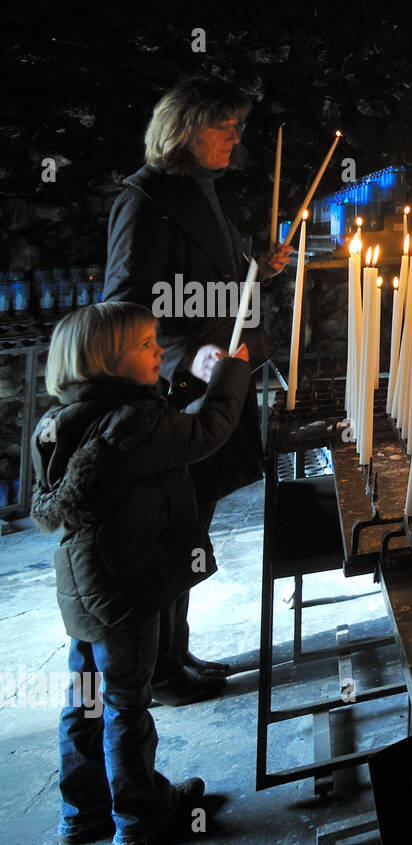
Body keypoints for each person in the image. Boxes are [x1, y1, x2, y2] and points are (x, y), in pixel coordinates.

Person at [32, 302, 250, 845]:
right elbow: (205, 431)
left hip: (83, 590)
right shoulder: (132, 424)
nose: (159, 350)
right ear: (106, 360)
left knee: (85, 696)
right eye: (146, 345)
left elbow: (164, 423)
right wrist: (233, 371)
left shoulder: (59, 423)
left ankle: (83, 809)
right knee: (128, 701)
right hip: (126, 590)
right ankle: (141, 815)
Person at [104, 75, 290, 705]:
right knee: (166, 535)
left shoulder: (203, 190)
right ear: (185, 128)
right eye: (225, 126)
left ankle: (175, 651)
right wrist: (179, 361)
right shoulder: (145, 198)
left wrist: (256, 266)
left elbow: (211, 271)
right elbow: (127, 302)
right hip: (176, 390)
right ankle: (156, 672)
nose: (235, 138)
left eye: (240, 127)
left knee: (190, 525)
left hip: (214, 378)